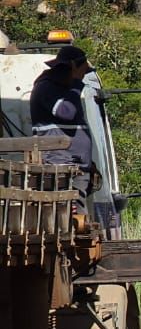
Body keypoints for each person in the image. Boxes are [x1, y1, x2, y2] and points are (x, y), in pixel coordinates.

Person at [30, 44, 101, 220]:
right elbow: (66, 113)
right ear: (71, 67)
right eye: (81, 72)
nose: (82, 78)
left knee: (78, 218)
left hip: (75, 166)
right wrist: (77, 83)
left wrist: (87, 162)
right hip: (61, 166)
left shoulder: (67, 92)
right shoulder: (46, 87)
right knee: (68, 219)